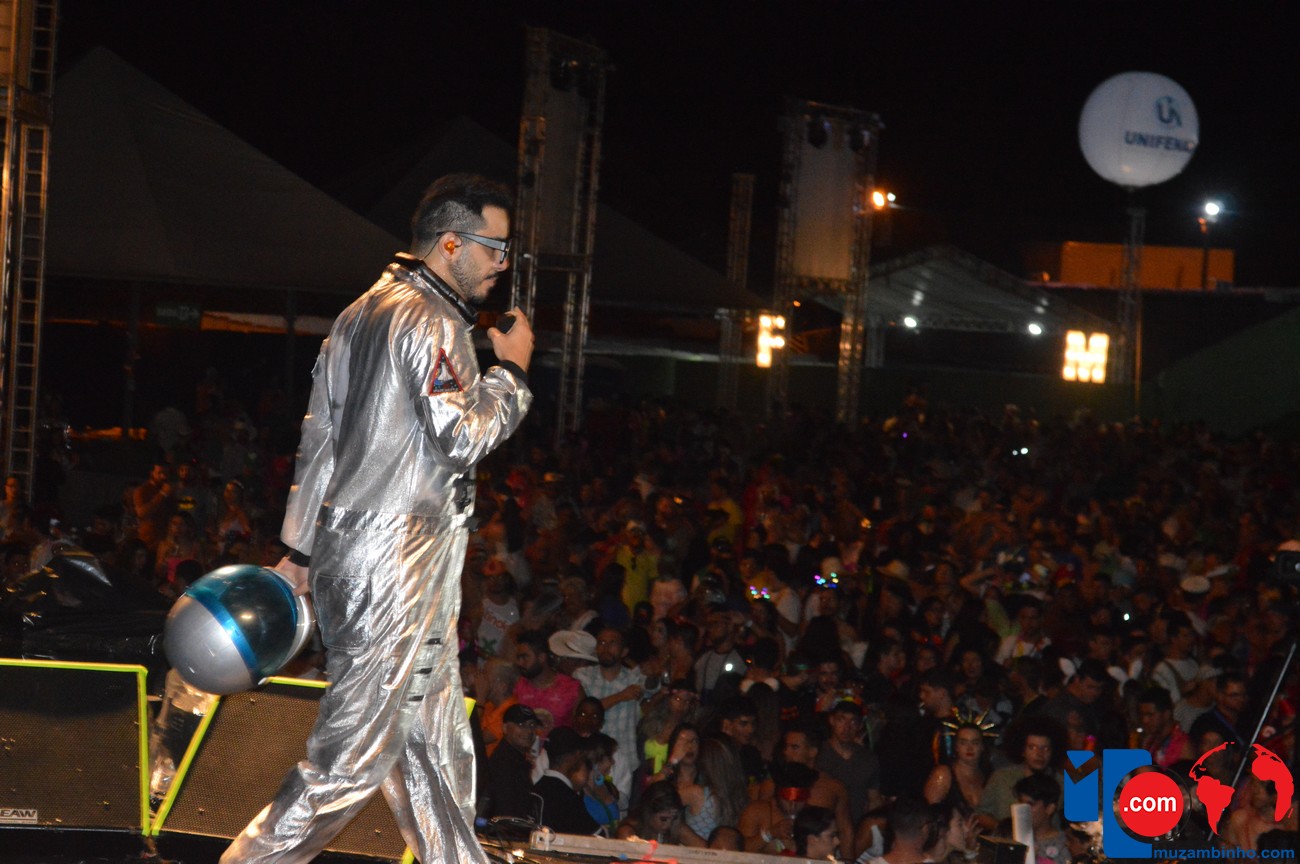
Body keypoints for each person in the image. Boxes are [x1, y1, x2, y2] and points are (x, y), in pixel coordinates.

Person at [221, 174, 534, 864]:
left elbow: (320, 441)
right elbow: (463, 438)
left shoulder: (360, 313)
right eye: (495, 248)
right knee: (351, 758)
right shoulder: (431, 320)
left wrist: (301, 552)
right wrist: (510, 375)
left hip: (364, 551)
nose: (502, 264)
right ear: (450, 243)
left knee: (430, 742)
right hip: (396, 559)